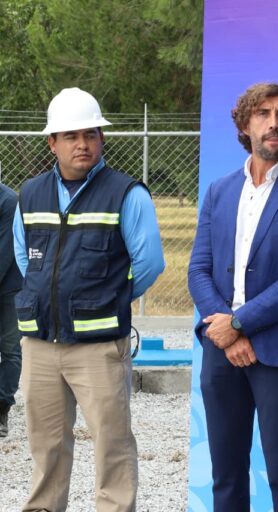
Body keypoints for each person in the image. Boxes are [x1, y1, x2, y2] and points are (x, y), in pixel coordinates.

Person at [12, 87, 165, 511]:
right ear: (52, 143)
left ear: (102, 139)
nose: (83, 144)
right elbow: (26, 258)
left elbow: (150, 262)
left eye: (91, 134)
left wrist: (108, 300)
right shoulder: (30, 194)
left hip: (99, 348)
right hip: (40, 345)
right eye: (71, 135)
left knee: (112, 446)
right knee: (45, 446)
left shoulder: (126, 194)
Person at [188, 82, 278, 511]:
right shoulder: (219, 190)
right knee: (225, 475)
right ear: (244, 123)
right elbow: (198, 268)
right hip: (221, 351)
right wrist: (225, 331)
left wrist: (238, 324)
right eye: (263, 114)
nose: (274, 124)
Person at [0, 182, 22, 438]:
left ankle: (2, 406)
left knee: (10, 349)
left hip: (9, 287)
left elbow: (5, 253)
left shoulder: (8, 201)